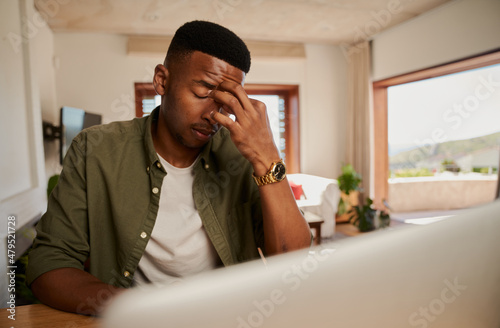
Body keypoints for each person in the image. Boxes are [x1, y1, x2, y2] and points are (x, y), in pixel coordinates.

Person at [27, 20, 311, 315]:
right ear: (162, 80)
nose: (214, 114)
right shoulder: (95, 150)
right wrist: (140, 309)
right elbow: (49, 263)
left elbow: (293, 262)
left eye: (226, 102)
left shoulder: (240, 155)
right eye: (204, 91)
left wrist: (267, 158)